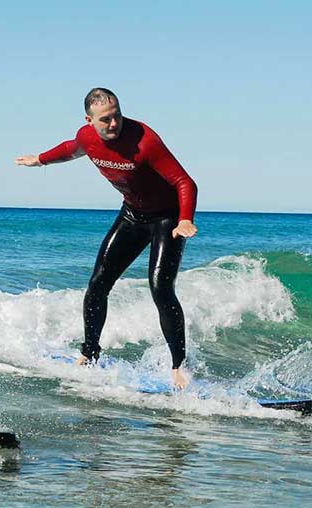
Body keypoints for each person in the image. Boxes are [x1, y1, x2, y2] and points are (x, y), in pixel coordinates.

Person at [16, 87, 198, 389]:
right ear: (89, 120)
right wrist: (41, 159)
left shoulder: (145, 141)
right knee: (98, 282)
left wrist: (185, 218)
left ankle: (178, 366)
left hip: (168, 218)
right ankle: (89, 353)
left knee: (160, 288)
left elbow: (184, 182)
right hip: (132, 215)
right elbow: (71, 148)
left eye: (117, 116)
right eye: (105, 120)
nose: (114, 124)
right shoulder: (87, 137)